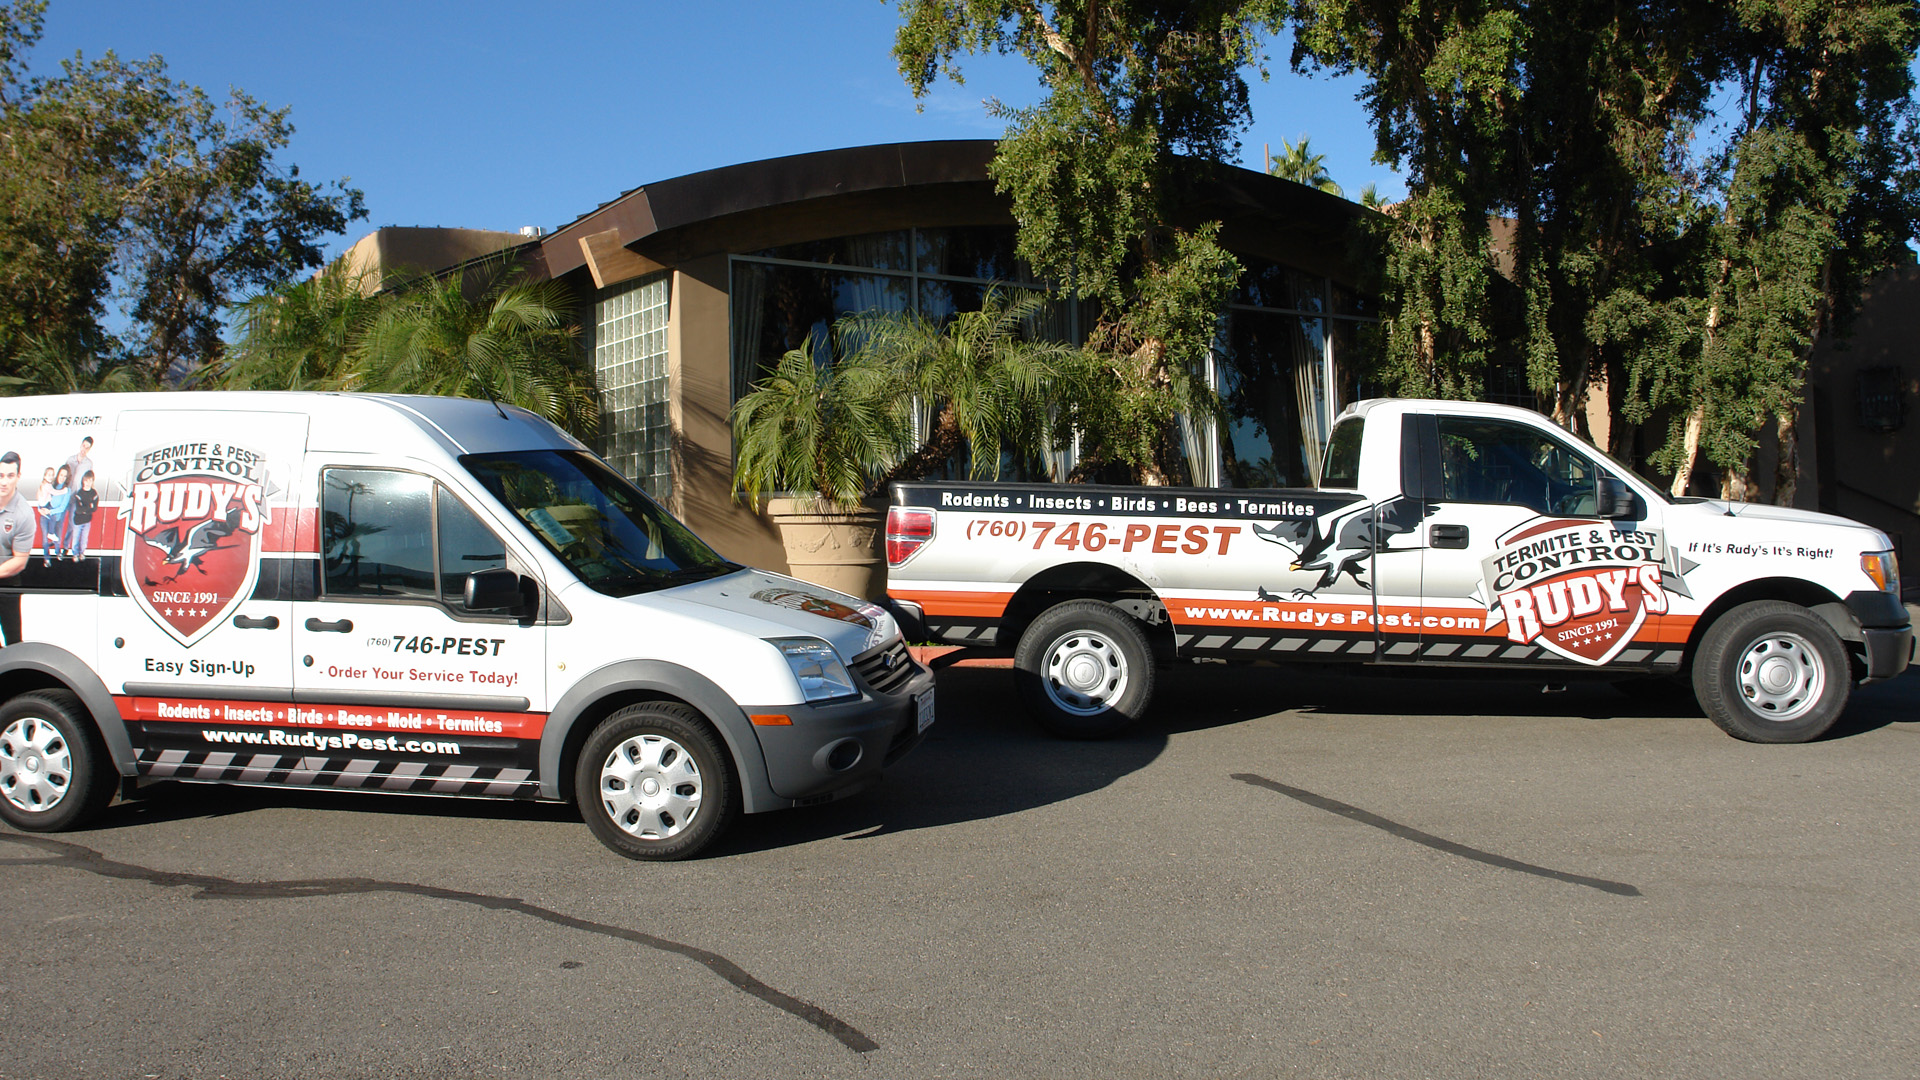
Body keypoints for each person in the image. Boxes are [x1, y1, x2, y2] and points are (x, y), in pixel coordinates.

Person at [0, 453, 32, 644]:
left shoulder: (23, 513)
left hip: (7, 586)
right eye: (0, 475)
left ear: (18, 477)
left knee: (13, 644)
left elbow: (19, 562)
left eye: (10, 476)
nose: (4, 482)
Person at [37, 465, 70, 566]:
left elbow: (62, 508)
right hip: (45, 516)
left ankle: (57, 553)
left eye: (65, 476)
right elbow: (42, 499)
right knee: (45, 538)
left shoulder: (67, 490)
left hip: (57, 518)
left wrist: (49, 512)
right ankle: (47, 558)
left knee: (57, 538)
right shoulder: (51, 485)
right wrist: (40, 510)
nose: (62, 478)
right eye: (61, 475)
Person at [65, 470, 98, 561]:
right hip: (78, 521)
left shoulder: (94, 494)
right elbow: (79, 510)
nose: (88, 483)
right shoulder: (79, 493)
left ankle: (81, 553)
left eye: (90, 480)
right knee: (76, 538)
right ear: (83, 481)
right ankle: (75, 554)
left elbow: (94, 508)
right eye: (86, 480)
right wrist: (89, 507)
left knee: (84, 539)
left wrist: (86, 508)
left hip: (87, 521)